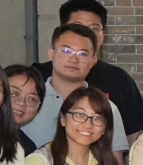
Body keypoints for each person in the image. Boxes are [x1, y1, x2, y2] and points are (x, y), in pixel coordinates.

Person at [35, 0, 143, 140]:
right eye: (77, 26)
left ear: (103, 35)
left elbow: (135, 134)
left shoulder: (118, 79)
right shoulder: (36, 77)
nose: (85, 33)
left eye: (94, 28)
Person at [23, 23, 129, 153]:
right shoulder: (27, 101)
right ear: (51, 53)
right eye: (66, 51)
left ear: (93, 61)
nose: (74, 59)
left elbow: (114, 160)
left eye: (82, 54)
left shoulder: (107, 108)